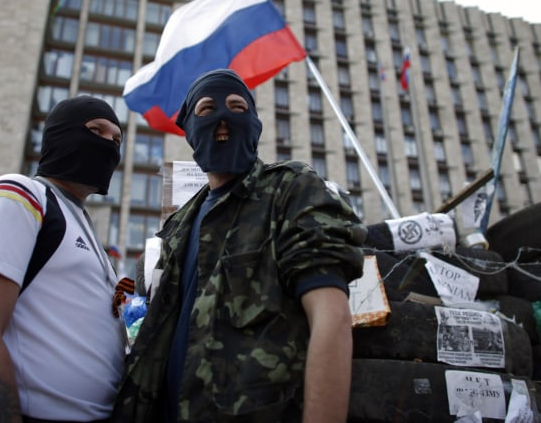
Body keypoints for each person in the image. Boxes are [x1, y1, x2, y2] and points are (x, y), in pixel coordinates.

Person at [110, 69, 367, 423]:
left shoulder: (289, 190)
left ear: (255, 123)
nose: (223, 118)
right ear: (190, 131)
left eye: (237, 106)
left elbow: (331, 315)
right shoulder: (176, 227)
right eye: (206, 109)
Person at [0, 96, 126, 423]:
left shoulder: (85, 229)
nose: (108, 145)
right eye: (96, 130)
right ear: (60, 134)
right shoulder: (19, 194)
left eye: (116, 139)